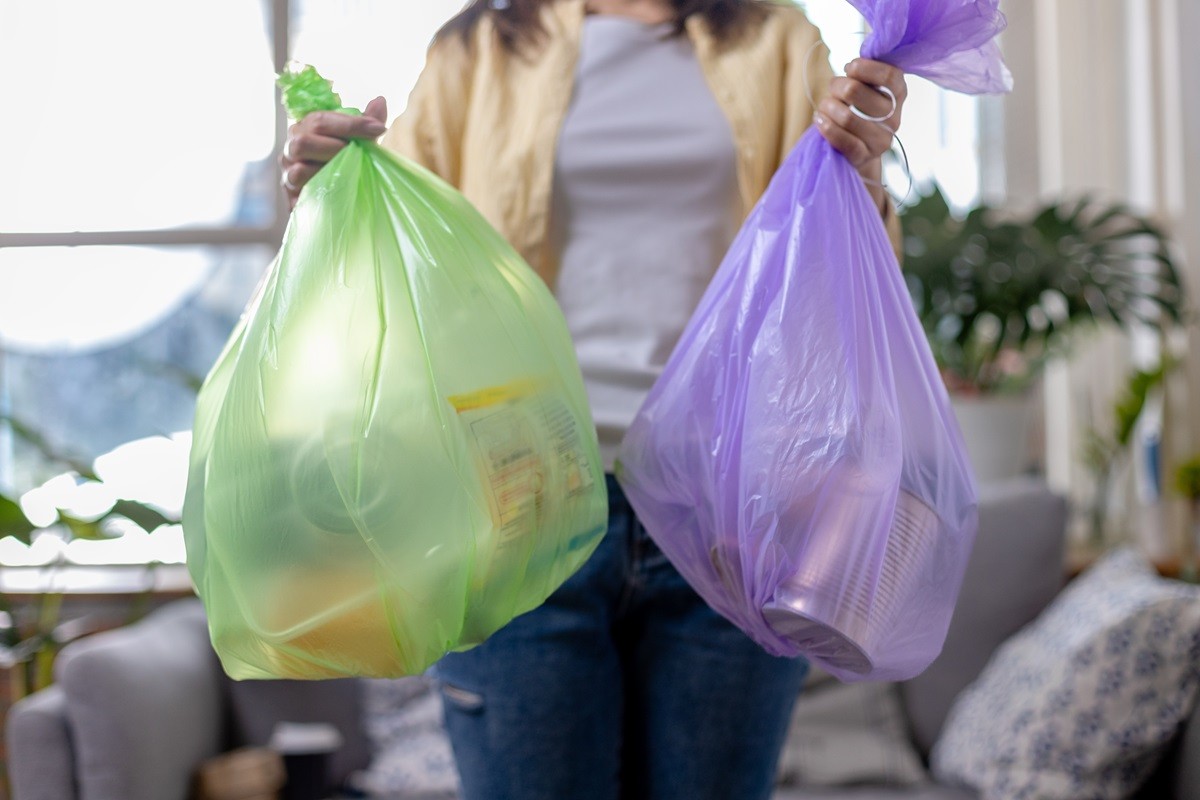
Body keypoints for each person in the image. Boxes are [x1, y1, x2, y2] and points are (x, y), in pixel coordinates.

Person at [281, 1, 907, 798]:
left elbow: (854, 276)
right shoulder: (477, 51)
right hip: (513, 507)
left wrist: (866, 178)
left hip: (726, 514)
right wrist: (329, 193)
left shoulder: (776, 38)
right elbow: (387, 258)